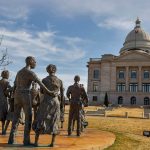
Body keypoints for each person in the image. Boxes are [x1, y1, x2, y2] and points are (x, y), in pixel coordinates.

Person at [8, 56, 56, 146]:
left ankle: (11, 139)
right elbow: (40, 84)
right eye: (35, 62)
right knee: (28, 118)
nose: (36, 63)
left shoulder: (19, 72)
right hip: (25, 95)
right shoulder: (30, 73)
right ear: (30, 62)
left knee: (15, 118)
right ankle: (26, 140)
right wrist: (49, 91)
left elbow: (14, 85)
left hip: (17, 95)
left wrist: (13, 97)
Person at [32, 64, 63, 147]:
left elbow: (41, 91)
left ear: (47, 70)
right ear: (55, 70)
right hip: (56, 102)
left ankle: (36, 142)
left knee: (41, 119)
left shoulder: (44, 80)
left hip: (46, 101)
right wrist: (62, 106)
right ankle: (53, 142)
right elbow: (62, 95)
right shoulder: (60, 81)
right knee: (54, 120)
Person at [0, 70, 11, 135]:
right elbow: (10, 89)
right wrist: (9, 95)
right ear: (6, 75)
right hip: (3, 100)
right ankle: (3, 129)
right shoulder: (7, 82)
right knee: (4, 114)